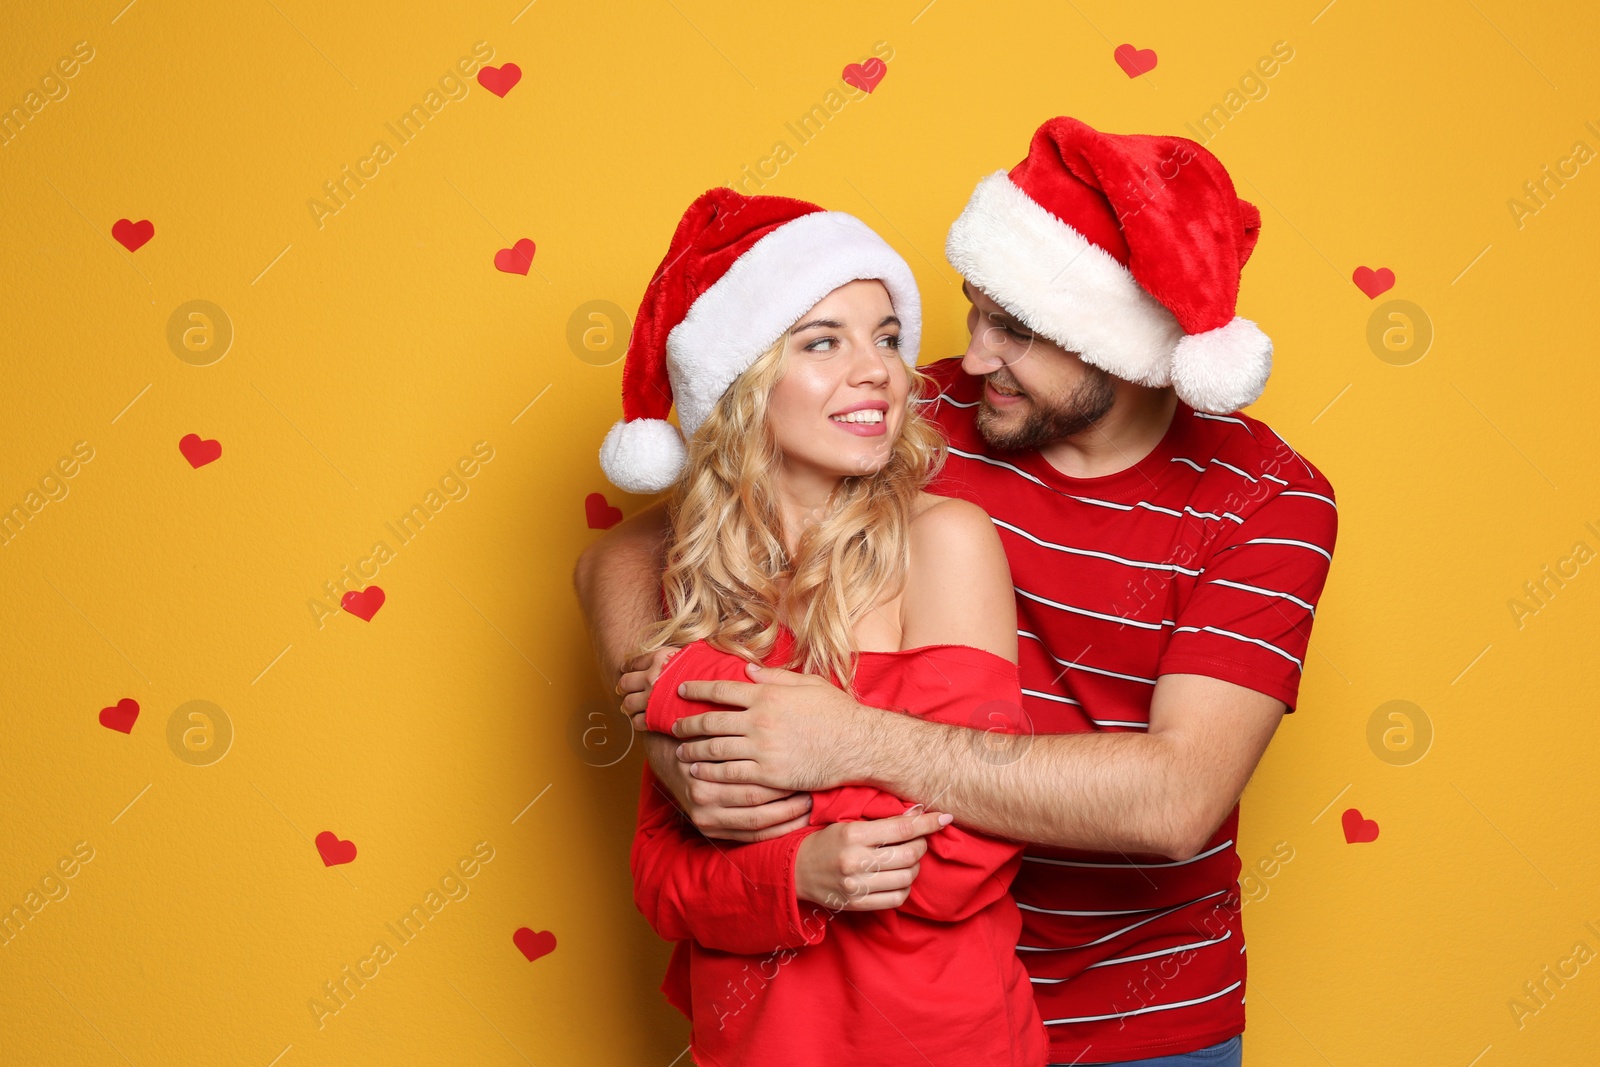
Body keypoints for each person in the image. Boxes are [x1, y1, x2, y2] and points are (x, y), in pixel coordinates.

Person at [577, 117, 1339, 1066]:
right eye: (974, 312)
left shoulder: (1266, 503)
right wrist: (678, 734)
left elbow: (1173, 800)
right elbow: (629, 554)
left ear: (1119, 342)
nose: (970, 357)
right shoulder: (914, 413)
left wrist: (840, 741)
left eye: (1013, 329)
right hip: (854, 1006)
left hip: (1137, 1015)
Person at [595, 186, 1049, 1066]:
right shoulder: (695, 582)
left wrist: (782, 742)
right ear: (740, 380)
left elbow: (967, 848)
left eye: (885, 336)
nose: (880, 368)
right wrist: (795, 874)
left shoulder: (941, 542)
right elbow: (659, 882)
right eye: (822, 341)